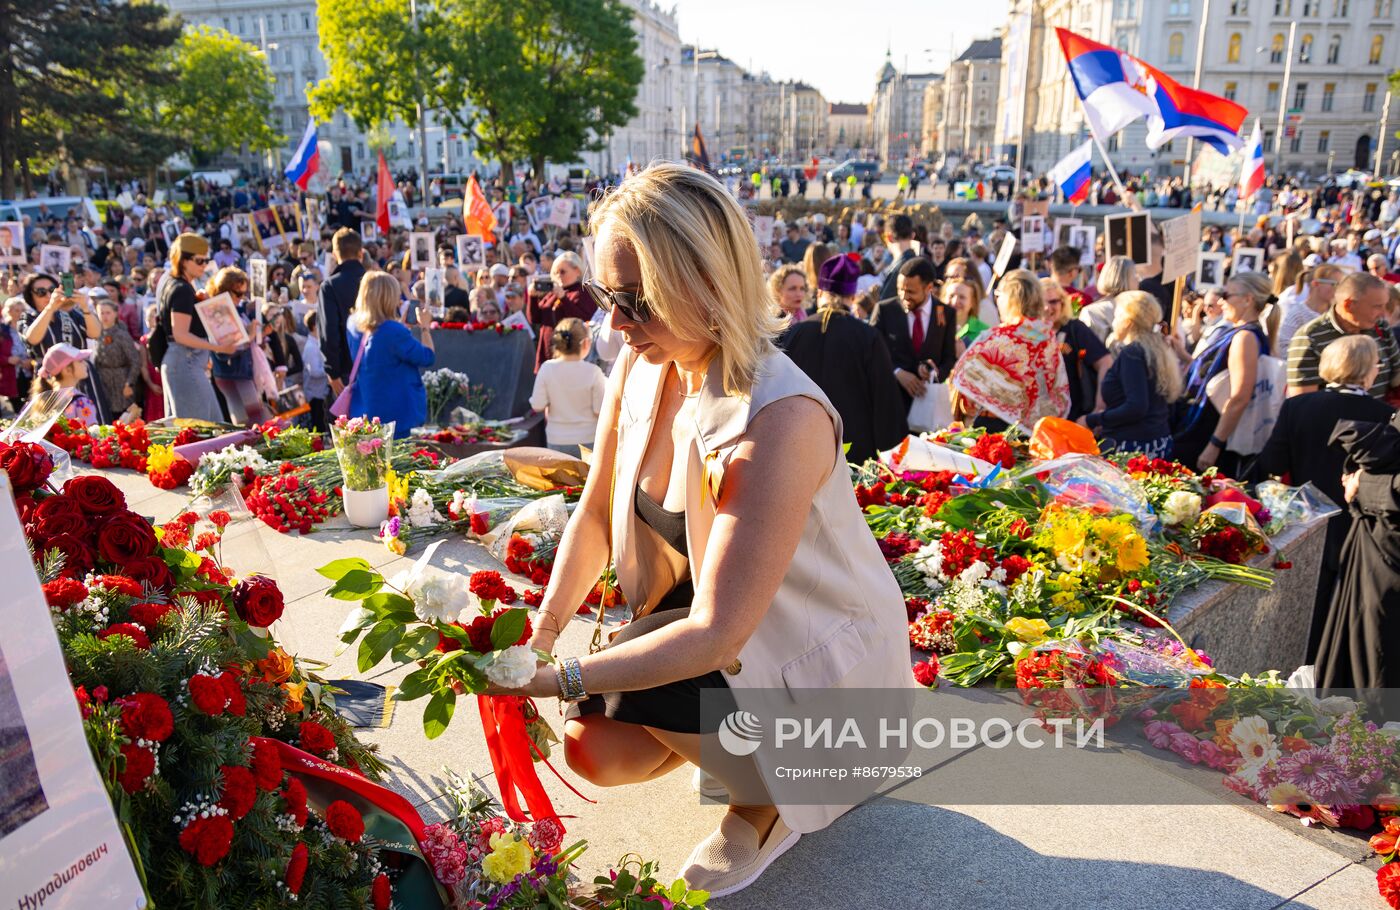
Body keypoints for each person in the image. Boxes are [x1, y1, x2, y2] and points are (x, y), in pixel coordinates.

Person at [509, 163, 911, 898]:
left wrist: (555, 677)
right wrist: (536, 636)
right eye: (606, 296)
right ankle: (727, 749)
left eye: (635, 301)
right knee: (593, 747)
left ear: (706, 283)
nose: (615, 323)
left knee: (627, 683)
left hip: (812, 676)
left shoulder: (780, 416)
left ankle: (770, 797)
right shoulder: (643, 364)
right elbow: (596, 509)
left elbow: (717, 633)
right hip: (719, 641)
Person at [1258, 335, 1394, 664]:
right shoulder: (1384, 415)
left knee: (1303, 613)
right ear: (1367, 371)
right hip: (1359, 527)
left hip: (1307, 522)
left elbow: (1273, 465)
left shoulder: (1298, 406)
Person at [779, 254, 907, 464]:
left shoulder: (795, 333)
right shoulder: (868, 336)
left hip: (799, 447)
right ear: (853, 296)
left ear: (820, 293)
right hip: (855, 451)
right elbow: (886, 402)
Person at [1175, 272, 1274, 477]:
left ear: (1247, 300)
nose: (1221, 301)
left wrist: (1214, 445)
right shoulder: (1241, 332)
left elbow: (1239, 397)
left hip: (1212, 435)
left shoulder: (1245, 337)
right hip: (1205, 428)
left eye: (1227, 295)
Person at [948, 269, 1070, 431]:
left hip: (992, 429)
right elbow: (1057, 390)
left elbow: (964, 383)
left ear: (1009, 299)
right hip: (1034, 433)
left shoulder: (996, 337)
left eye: (999, 294)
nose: (997, 299)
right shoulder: (1047, 338)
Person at [1080, 292, 1182, 457]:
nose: (1113, 322)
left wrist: (1091, 420)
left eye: (1116, 316)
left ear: (1127, 322)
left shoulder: (1132, 353)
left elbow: (1136, 407)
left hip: (1134, 446)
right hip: (1156, 441)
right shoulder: (1156, 348)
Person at [345, 272, 435, 439]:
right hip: (397, 413)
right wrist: (425, 327)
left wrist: (401, 326)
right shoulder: (393, 331)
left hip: (366, 407)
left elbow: (380, 340)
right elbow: (427, 356)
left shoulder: (353, 323)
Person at [159, 233, 238, 421]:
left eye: (206, 260)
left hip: (186, 362)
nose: (204, 265)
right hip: (185, 361)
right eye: (199, 260)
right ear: (184, 261)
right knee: (201, 431)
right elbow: (180, 334)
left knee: (210, 427)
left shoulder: (177, 285)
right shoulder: (181, 289)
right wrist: (218, 347)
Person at [1287, 272, 1400, 398]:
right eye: (1377, 306)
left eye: (1385, 305)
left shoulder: (1380, 326)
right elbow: (1302, 402)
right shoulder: (1310, 337)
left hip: (1382, 416)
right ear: (1349, 305)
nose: (1383, 314)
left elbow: (1396, 376)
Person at [869, 257, 957, 412]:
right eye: (900, 289)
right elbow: (871, 353)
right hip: (891, 403)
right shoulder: (884, 310)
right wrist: (897, 372)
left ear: (929, 287)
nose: (904, 296)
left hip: (927, 406)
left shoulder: (946, 314)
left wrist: (933, 373)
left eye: (910, 291)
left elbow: (949, 358)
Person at [21, 272, 105, 422]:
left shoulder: (71, 314)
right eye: (41, 292)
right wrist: (51, 307)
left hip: (81, 373)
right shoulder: (28, 317)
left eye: (51, 289)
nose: (48, 294)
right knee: (56, 425)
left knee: (93, 424)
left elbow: (95, 333)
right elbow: (32, 338)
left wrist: (85, 306)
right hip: (51, 380)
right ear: (31, 296)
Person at [528, 317, 605, 457]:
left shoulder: (546, 368)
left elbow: (537, 405)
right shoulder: (594, 372)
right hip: (588, 440)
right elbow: (599, 410)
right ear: (586, 343)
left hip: (556, 439)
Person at [1043, 277, 1110, 420]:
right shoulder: (1029, 333)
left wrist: (1099, 409)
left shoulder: (1075, 329)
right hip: (1038, 423)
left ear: (1062, 302)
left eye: (1053, 301)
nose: (1047, 308)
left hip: (1074, 419)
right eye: (1040, 302)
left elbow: (1106, 362)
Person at [206, 267, 266, 426]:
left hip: (239, 371)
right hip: (231, 373)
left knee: (253, 420)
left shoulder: (235, 309)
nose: (242, 298)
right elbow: (224, 351)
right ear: (224, 290)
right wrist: (250, 336)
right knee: (250, 421)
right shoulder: (218, 311)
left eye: (244, 294)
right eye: (238, 294)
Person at [525, 251, 595, 371]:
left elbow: (583, 320)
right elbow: (534, 319)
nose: (558, 276)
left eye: (563, 272)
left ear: (577, 271)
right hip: (547, 355)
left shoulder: (583, 292)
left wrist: (564, 298)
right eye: (556, 273)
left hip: (569, 357)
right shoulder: (553, 293)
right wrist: (532, 297)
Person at [319, 228, 367, 397]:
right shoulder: (375, 281)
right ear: (361, 252)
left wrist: (332, 370)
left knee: (348, 422)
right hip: (376, 364)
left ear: (334, 254)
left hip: (346, 367)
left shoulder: (330, 286)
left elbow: (329, 331)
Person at [93, 298, 142, 418]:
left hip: (121, 380)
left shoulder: (121, 334)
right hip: (103, 381)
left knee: (124, 416)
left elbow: (135, 360)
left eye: (108, 312)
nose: (105, 316)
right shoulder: (95, 334)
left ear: (115, 314)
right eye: (102, 313)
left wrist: (129, 383)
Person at [1276, 264, 1343, 353]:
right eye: (1334, 284)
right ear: (1316, 284)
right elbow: (1284, 347)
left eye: (1341, 285)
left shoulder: (1338, 313)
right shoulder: (1297, 314)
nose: (1338, 289)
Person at [32, 342, 97, 424]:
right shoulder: (82, 403)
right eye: (80, 361)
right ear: (67, 370)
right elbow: (92, 433)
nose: (85, 364)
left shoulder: (45, 399)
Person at [1078, 256, 1137, 344]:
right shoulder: (1092, 312)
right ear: (1125, 279)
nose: (1138, 280)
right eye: (1134, 276)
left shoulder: (1090, 311)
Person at [876, 214, 917, 301]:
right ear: (913, 235)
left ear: (889, 237)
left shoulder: (899, 267)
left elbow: (884, 303)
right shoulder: (920, 262)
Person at [302, 311, 330, 432]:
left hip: (319, 392)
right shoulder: (311, 347)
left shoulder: (316, 344)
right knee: (317, 426)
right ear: (314, 326)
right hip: (314, 394)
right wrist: (329, 369)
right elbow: (314, 372)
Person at [944, 278, 988, 354]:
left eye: (962, 297)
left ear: (973, 302)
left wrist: (964, 355)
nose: (955, 302)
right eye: (951, 296)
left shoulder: (985, 332)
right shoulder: (934, 325)